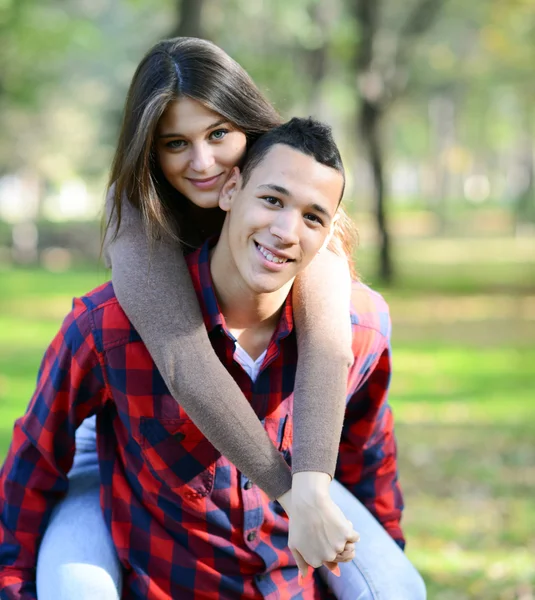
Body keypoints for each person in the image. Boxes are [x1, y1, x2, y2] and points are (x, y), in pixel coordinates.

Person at [0, 116, 424, 599]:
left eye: (312, 216)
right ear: (230, 191)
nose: (286, 230)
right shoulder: (111, 330)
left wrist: (382, 558)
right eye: (272, 200)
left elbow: (368, 459)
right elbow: (34, 463)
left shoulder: (360, 328)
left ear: (330, 232)